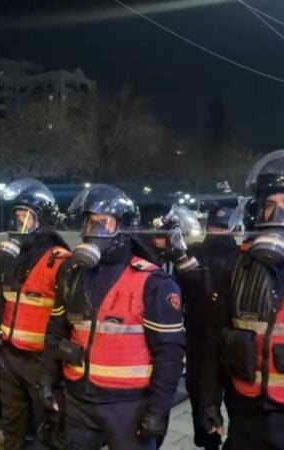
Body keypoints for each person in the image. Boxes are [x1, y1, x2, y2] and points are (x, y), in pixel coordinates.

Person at [40, 184, 185, 450]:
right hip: (78, 399)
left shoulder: (153, 282)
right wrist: (48, 381)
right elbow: (56, 331)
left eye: (103, 222)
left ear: (124, 228)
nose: (92, 231)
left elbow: (169, 354)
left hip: (128, 406)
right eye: (88, 222)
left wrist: (158, 410)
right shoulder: (73, 275)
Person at [200, 150, 284, 450]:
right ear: (256, 211)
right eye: (270, 206)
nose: (277, 216)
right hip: (245, 410)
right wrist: (209, 401)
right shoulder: (237, 265)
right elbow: (214, 340)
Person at [0, 179, 70, 450]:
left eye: (27, 217)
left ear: (43, 220)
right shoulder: (16, 258)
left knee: (45, 432)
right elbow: (2, 306)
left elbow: (65, 323)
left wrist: (53, 372)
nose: (20, 224)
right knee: (12, 428)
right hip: (10, 358)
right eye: (18, 217)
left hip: (42, 362)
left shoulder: (61, 261)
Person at [168, 199, 239, 450]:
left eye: (219, 227)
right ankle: (224, 437)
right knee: (222, 393)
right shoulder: (240, 256)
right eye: (217, 226)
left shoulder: (193, 253)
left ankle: (211, 439)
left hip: (202, 333)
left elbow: (180, 291)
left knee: (203, 391)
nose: (217, 231)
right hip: (227, 335)